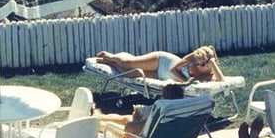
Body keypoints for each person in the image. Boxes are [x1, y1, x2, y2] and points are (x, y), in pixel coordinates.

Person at [96, 83, 184, 138]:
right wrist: (136, 118)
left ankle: (92, 122)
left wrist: (135, 121)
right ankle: (97, 116)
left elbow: (129, 128)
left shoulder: (158, 118)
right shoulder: (181, 113)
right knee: (126, 119)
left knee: (108, 125)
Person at [94, 45, 224, 85]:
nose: (197, 65)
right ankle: (110, 56)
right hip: (162, 61)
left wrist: (213, 63)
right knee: (127, 63)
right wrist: (186, 81)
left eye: (201, 64)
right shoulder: (193, 57)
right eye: (196, 62)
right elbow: (174, 70)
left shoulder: (209, 73)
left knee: (129, 72)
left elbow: (221, 81)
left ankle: (109, 62)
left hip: (160, 76)